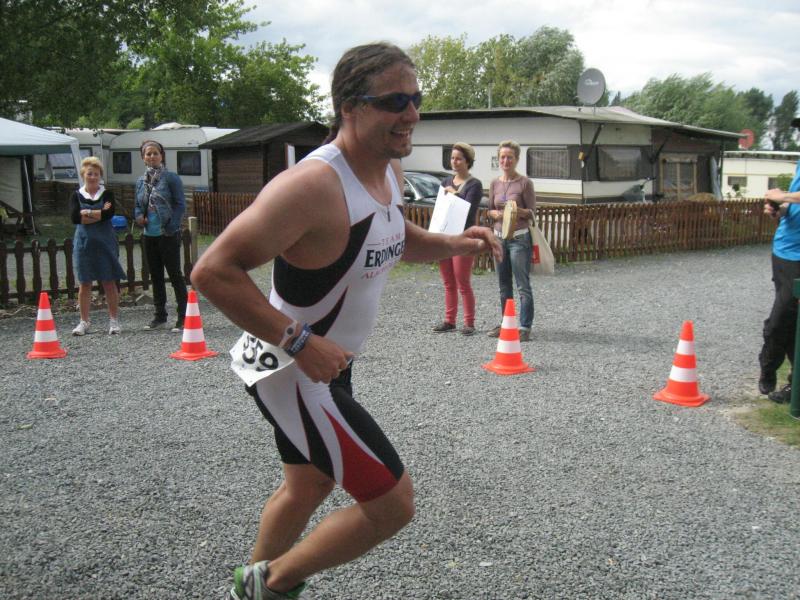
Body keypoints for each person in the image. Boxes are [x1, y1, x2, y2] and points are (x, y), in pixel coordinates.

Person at [190, 42, 501, 600]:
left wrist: (458, 242)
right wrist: (299, 341)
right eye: (395, 101)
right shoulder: (311, 186)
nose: (411, 114)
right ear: (349, 107)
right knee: (392, 504)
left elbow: (396, 238)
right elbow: (212, 271)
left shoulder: (387, 168)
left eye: (416, 99)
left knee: (307, 484)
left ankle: (253, 591)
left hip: (325, 364)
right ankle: (265, 586)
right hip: (295, 368)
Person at [758, 116, 800, 403]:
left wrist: (780, 194)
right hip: (786, 253)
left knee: (788, 318)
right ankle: (771, 367)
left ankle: (791, 384)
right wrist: (780, 210)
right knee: (785, 318)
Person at [134, 140, 188, 332]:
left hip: (168, 233)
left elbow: (180, 205)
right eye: (148, 154)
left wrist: (171, 226)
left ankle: (183, 317)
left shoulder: (171, 178)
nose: (152, 156)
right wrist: (138, 216)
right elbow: (138, 205)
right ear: (143, 157)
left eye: (155, 153)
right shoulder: (140, 181)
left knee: (175, 275)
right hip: (149, 234)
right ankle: (160, 316)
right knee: (155, 276)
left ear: (161, 155)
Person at [485, 140, 536, 341]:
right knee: (503, 284)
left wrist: (515, 210)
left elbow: (532, 212)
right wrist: (495, 214)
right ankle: (507, 323)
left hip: (519, 238)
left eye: (510, 157)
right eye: (503, 157)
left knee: (522, 285)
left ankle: (524, 326)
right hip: (499, 239)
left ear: (517, 159)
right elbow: (489, 209)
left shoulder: (525, 183)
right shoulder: (494, 183)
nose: (506, 161)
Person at [69, 157, 126, 336]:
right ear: (83, 175)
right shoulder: (76, 195)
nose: (93, 177)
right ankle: (84, 321)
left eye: (96, 174)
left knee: (109, 281)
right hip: (84, 243)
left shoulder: (107, 194)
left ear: (100, 175)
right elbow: (75, 218)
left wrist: (87, 212)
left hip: (105, 242)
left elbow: (109, 214)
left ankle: (114, 320)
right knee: (85, 282)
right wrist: (99, 213)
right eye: (89, 174)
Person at [432, 142, 483, 335]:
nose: (454, 162)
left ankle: (469, 323)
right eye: (452, 158)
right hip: (445, 236)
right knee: (448, 282)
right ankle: (449, 320)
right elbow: (440, 208)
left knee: (463, 281)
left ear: (468, 161)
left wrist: (455, 194)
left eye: (459, 159)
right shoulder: (445, 181)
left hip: (463, 238)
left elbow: (469, 209)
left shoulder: (474, 184)